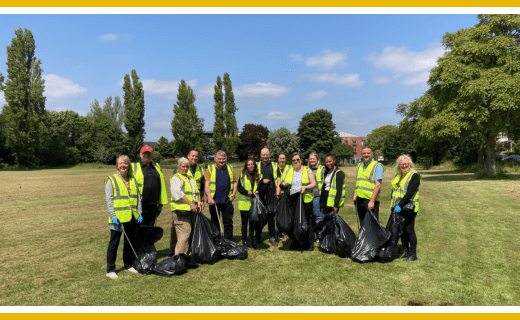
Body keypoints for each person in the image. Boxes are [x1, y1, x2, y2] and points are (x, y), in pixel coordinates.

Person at [104, 155, 143, 279]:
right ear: (117, 165)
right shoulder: (112, 180)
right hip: (118, 218)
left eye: (125, 163)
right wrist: (113, 216)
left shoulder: (132, 179)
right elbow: (109, 200)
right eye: (121, 163)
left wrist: (139, 212)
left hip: (131, 217)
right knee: (114, 243)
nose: (123, 166)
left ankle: (128, 264)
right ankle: (110, 269)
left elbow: (137, 198)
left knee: (129, 241)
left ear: (129, 165)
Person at [168, 149, 205, 257]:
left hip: (188, 209)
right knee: (185, 233)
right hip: (180, 209)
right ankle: (179, 258)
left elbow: (197, 190)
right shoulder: (177, 177)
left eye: (186, 167)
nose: (185, 168)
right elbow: (177, 193)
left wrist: (200, 201)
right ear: (179, 166)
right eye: (183, 166)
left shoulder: (190, 178)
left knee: (183, 233)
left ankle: (183, 254)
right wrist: (191, 203)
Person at [278, 152, 316, 251]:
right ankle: (295, 242)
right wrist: (283, 186)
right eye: (294, 160)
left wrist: (305, 187)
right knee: (294, 221)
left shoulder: (307, 170)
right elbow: (284, 182)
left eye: (297, 159)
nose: (296, 161)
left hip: (305, 200)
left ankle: (308, 244)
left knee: (306, 222)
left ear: (301, 160)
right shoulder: (289, 171)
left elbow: (313, 183)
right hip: (293, 200)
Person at [391, 155, 421, 261]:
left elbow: (409, 193)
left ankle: (413, 254)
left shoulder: (414, 175)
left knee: (409, 230)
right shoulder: (397, 175)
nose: (404, 166)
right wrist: (394, 205)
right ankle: (404, 251)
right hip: (397, 207)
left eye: (406, 164)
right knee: (401, 230)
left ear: (410, 164)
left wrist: (400, 205)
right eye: (402, 164)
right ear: (399, 165)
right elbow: (394, 190)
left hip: (408, 208)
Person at [204, 150, 238, 241]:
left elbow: (235, 183)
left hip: (227, 201)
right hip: (214, 201)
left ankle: (228, 241)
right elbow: (206, 185)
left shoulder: (230, 168)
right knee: (215, 223)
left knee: (228, 223)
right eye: (219, 159)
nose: (221, 161)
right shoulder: (210, 169)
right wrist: (209, 197)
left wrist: (233, 195)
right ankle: (216, 241)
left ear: (226, 159)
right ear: (216, 159)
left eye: (223, 159)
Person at [132, 145, 168, 226]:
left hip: (153, 206)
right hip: (140, 207)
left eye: (149, 154)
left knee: (150, 232)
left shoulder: (156, 167)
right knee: (139, 232)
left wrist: (160, 205)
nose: (147, 156)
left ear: (152, 155)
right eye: (144, 154)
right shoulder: (134, 167)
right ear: (140, 154)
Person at [237, 159, 266, 248]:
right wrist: (247, 192)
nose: (250, 166)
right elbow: (239, 187)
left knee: (252, 223)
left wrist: (258, 191)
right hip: (244, 204)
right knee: (244, 224)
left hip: (254, 204)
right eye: (248, 164)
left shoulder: (259, 176)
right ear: (246, 166)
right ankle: (244, 241)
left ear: (254, 165)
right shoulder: (242, 175)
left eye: (252, 164)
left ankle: (251, 242)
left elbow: (263, 186)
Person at [353, 146, 385, 223]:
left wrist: (372, 201)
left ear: (372, 154)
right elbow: (358, 182)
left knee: (372, 225)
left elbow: (378, 185)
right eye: (364, 153)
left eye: (368, 153)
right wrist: (355, 195)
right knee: (362, 222)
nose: (366, 155)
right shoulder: (360, 165)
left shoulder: (377, 166)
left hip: (370, 200)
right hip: (360, 198)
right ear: (361, 154)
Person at [257, 148, 281, 247]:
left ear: (269, 154)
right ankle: (258, 237)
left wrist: (278, 193)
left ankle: (272, 238)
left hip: (272, 194)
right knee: (259, 216)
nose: (265, 156)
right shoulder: (257, 165)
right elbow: (253, 179)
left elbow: (279, 180)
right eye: (263, 155)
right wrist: (262, 181)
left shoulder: (275, 165)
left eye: (267, 154)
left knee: (271, 216)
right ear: (260, 155)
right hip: (260, 194)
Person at [308, 152, 325, 238]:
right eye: (310, 159)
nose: (312, 160)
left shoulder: (322, 169)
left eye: (313, 159)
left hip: (317, 196)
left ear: (317, 160)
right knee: (310, 216)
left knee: (318, 216)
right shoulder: (306, 169)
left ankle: (320, 235)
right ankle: (313, 235)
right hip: (308, 196)